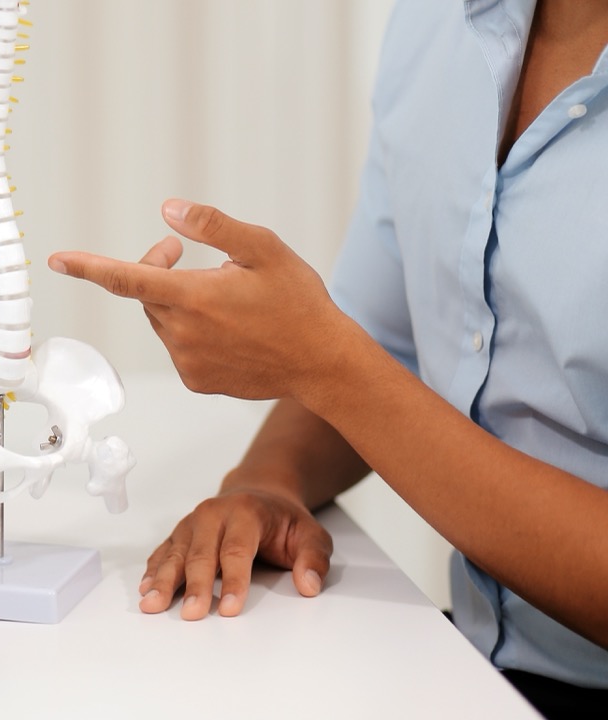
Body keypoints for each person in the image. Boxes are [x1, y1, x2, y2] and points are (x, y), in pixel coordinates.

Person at [48, 0, 607, 717]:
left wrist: (323, 364)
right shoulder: (437, 25)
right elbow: (389, 336)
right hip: (467, 661)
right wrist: (269, 483)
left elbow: (351, 366)